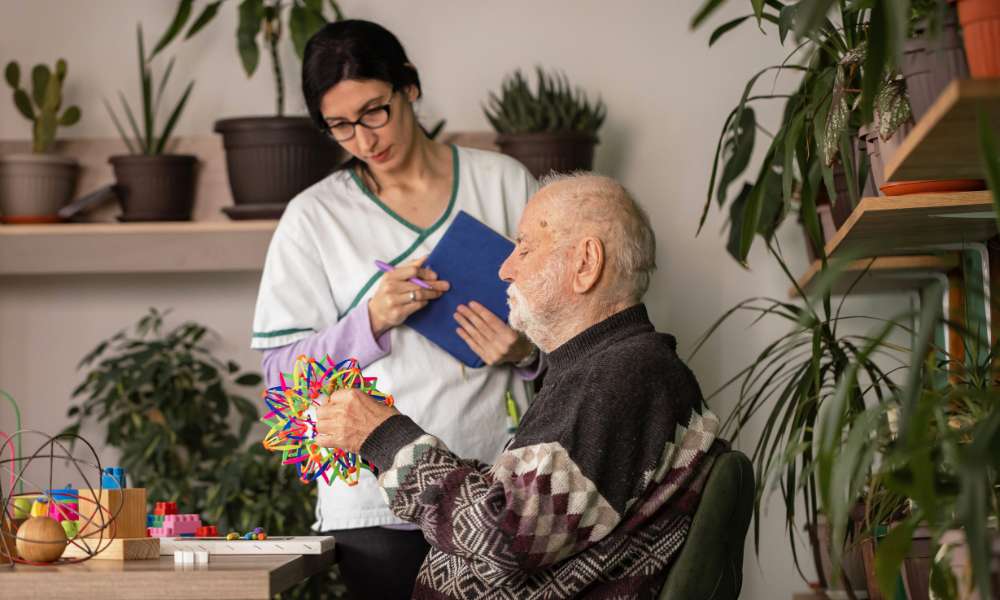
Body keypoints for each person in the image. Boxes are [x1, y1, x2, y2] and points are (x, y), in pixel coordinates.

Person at [316, 173, 725, 599]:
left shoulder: (623, 377)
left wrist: (386, 438)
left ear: (586, 263)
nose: (506, 269)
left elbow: (502, 539)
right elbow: (521, 508)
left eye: (525, 248)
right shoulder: (605, 369)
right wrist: (379, 446)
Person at [250, 20, 540, 600]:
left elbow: (582, 332)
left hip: (497, 492)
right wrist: (371, 321)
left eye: (374, 111)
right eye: (340, 125)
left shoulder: (504, 183)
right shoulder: (314, 218)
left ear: (409, 85)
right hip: (372, 504)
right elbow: (279, 377)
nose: (364, 139)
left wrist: (526, 352)